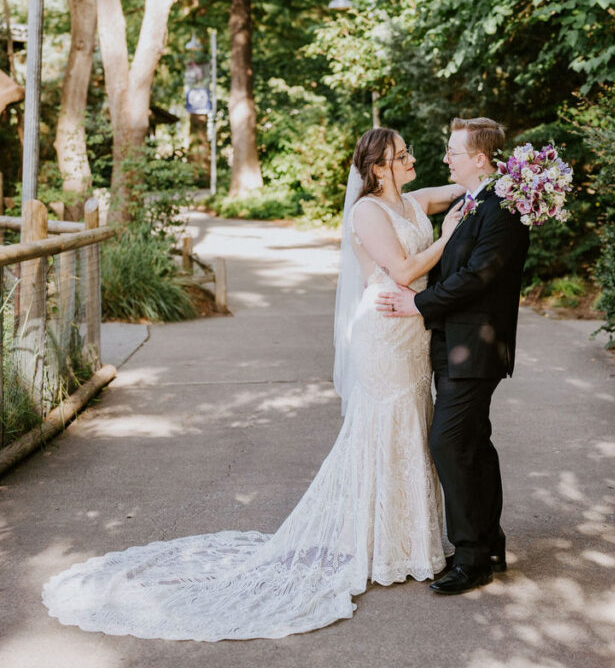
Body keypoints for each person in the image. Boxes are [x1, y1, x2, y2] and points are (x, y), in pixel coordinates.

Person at [42, 128, 464, 641]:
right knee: (385, 431)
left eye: (408, 152)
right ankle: (378, 545)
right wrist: (447, 237)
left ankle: (404, 541)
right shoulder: (368, 213)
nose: (411, 159)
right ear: (378, 169)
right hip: (383, 334)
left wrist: (495, 180)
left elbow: (456, 191)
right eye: (401, 156)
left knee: (413, 430)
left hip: (412, 338)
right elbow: (402, 269)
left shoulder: (413, 201)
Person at [377, 117, 530, 595]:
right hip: (448, 342)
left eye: (454, 152)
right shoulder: (471, 202)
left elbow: (481, 276)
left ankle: (471, 558)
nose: (446, 158)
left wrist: (417, 304)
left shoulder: (502, 206)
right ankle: (490, 542)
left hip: (477, 345)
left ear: (479, 158)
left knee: (446, 442)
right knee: (472, 444)